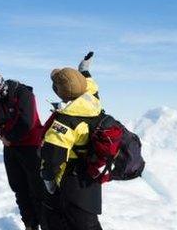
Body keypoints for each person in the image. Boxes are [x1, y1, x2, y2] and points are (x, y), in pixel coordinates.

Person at [40, 54, 103, 230]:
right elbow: (90, 86)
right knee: (89, 222)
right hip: (91, 174)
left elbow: (52, 157)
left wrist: (48, 180)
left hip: (72, 180)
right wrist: (84, 71)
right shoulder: (92, 102)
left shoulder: (65, 121)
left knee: (75, 222)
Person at [0, 69, 44, 230]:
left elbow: (27, 123)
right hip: (11, 149)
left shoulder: (23, 94)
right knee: (19, 187)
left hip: (31, 147)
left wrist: (9, 138)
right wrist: (1, 134)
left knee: (36, 188)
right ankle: (30, 224)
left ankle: (44, 222)